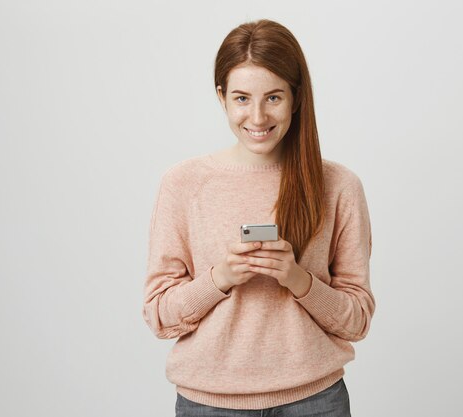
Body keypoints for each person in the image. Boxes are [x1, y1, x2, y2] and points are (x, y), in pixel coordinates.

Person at [142, 18, 375, 417]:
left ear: (296, 97)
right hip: (208, 404)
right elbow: (159, 316)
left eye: (273, 97)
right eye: (242, 98)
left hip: (315, 401)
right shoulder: (182, 184)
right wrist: (221, 278)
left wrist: (297, 279)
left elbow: (356, 322)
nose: (257, 117)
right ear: (222, 97)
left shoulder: (339, 185)